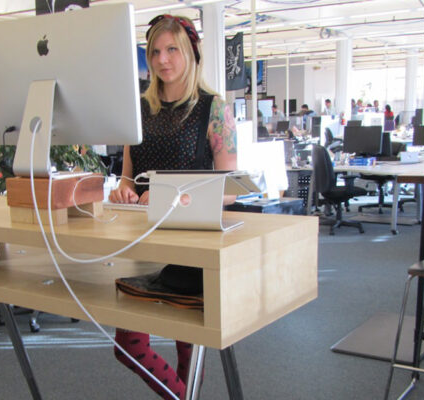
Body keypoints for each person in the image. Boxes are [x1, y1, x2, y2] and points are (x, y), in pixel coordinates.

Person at [108, 14, 237, 400]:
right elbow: (128, 178)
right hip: (142, 241)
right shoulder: (138, 111)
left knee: (188, 348)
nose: (162, 60)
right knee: (127, 344)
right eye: (155, 52)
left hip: (190, 245)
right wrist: (123, 193)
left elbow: (228, 189)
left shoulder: (214, 109)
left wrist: (172, 196)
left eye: (172, 50)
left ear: (191, 53)